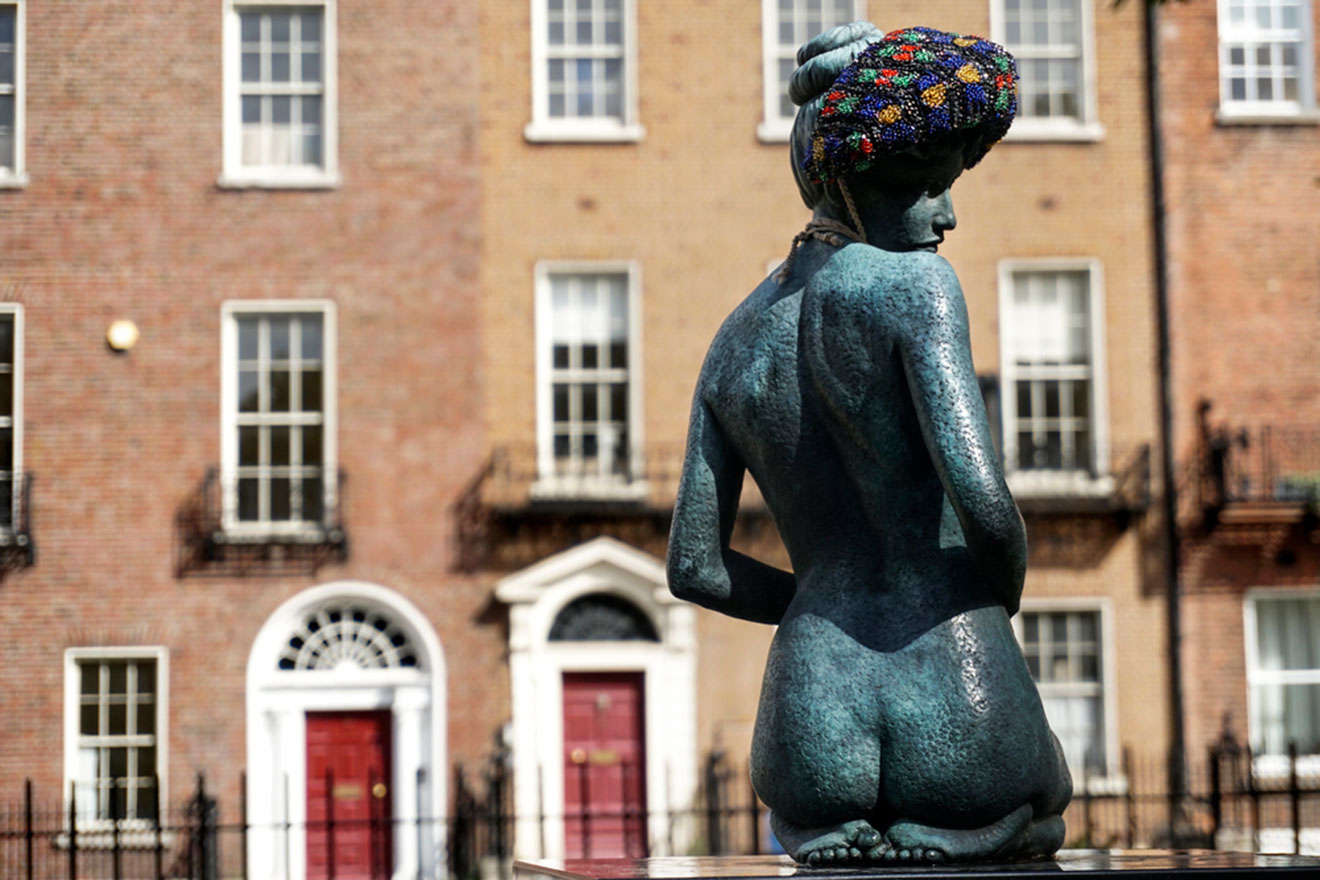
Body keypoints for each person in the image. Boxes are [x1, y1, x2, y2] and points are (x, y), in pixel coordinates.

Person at [666, 23, 1072, 865]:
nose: (947, 214)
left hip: (808, 740)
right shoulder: (915, 285)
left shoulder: (732, 341)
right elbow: (985, 501)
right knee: (1042, 815)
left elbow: (694, 569)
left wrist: (825, 601)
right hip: (958, 703)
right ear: (856, 179)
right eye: (928, 184)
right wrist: (996, 592)